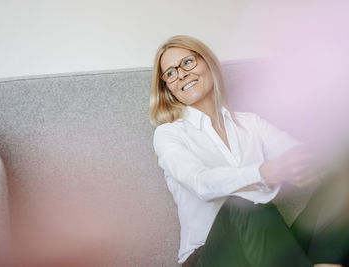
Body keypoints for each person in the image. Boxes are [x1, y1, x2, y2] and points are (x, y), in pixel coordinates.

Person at [149, 35, 349, 267]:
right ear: (168, 87)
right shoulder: (169, 134)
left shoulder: (251, 123)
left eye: (187, 62)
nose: (181, 74)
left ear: (208, 63)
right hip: (211, 257)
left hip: (268, 250)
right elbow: (200, 183)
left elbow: (299, 155)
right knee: (243, 204)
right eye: (171, 73)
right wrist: (263, 172)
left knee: (340, 185)